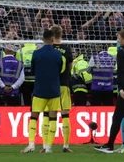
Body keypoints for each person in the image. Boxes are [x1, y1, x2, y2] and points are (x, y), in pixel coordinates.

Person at [24, 29, 64, 153]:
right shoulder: (58, 55)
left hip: (39, 89)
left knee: (34, 117)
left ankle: (31, 145)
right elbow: (60, 70)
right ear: (53, 39)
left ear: (42, 39)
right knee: (53, 118)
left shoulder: (36, 54)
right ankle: (48, 147)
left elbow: (33, 71)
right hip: (54, 90)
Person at [51, 25, 74, 153]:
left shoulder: (48, 48)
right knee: (65, 114)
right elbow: (70, 66)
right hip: (64, 83)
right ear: (61, 34)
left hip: (51, 85)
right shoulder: (66, 49)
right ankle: (65, 145)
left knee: (50, 114)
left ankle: (47, 145)